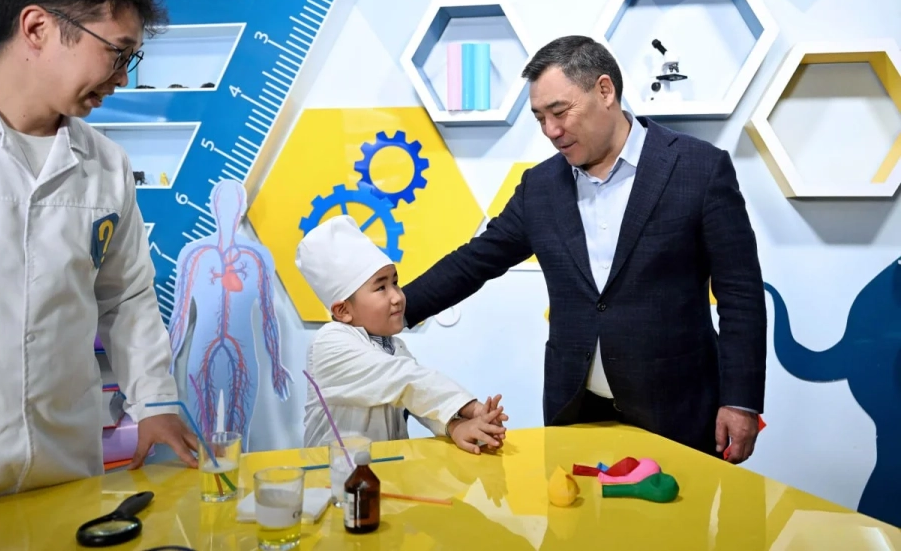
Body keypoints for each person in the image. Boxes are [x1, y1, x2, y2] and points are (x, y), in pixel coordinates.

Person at [402, 36, 767, 463]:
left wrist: (741, 401)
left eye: (560, 112)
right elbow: (475, 261)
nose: (551, 131)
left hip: (677, 411)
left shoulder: (699, 168)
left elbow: (740, 294)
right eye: (540, 118)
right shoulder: (539, 187)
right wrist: (394, 309)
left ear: (605, 91)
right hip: (574, 410)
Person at [0, 0, 197, 508]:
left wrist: (155, 403)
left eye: (132, 58)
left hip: (64, 471)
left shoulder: (106, 164)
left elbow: (126, 296)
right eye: (117, 52)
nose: (124, 76)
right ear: (37, 28)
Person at [295, 215, 507, 454]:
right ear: (343, 311)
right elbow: (405, 381)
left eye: (395, 283)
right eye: (381, 287)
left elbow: (416, 400)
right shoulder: (329, 343)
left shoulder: (393, 346)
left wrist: (455, 425)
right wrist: (471, 407)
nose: (397, 296)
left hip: (382, 469)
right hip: (332, 472)